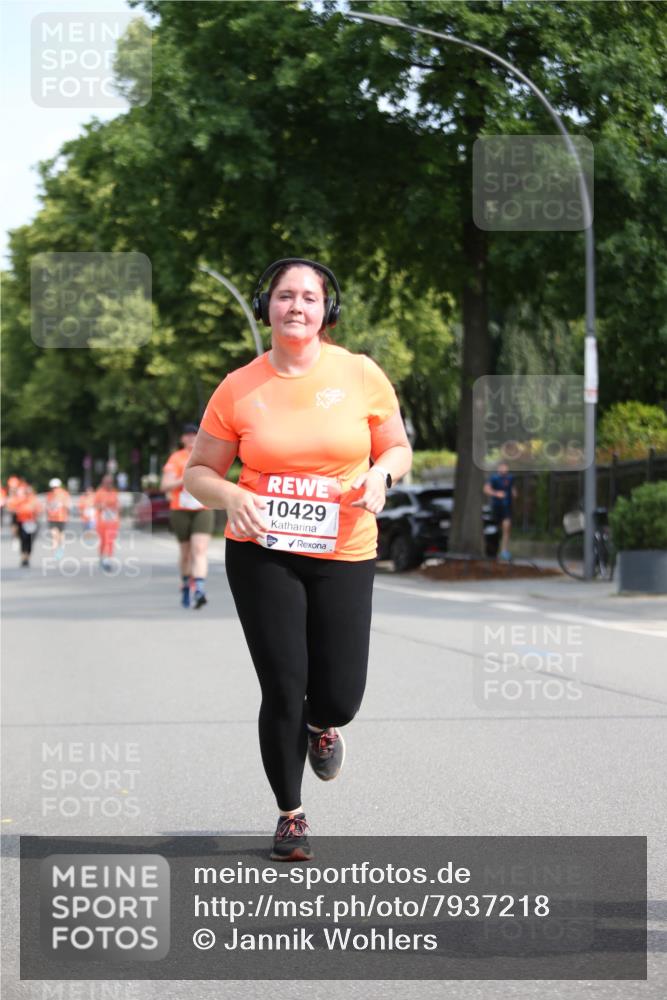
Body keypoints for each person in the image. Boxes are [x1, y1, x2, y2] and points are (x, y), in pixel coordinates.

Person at [184, 257, 412, 861]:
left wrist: (382, 476)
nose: (297, 307)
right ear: (268, 306)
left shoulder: (361, 374)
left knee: (339, 694)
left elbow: (396, 448)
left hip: (345, 547)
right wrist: (232, 494)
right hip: (263, 552)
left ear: (326, 310)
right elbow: (198, 473)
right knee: (284, 686)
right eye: (285, 296)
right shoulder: (239, 387)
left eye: (309, 298)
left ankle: (323, 725)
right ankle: (291, 814)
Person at [161, 423, 215, 609]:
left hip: (202, 509)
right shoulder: (176, 458)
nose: (191, 437)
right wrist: (185, 478)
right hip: (181, 509)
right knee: (185, 554)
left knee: (199, 549)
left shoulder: (206, 455)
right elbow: (165, 486)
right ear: (182, 439)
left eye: (195, 434)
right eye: (188, 435)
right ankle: (185, 584)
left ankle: (199, 589)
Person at [484, 461, 518, 561]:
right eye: (502, 467)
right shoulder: (494, 478)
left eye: (506, 467)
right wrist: (496, 493)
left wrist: (514, 494)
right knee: (496, 530)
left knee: (506, 527)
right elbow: (486, 489)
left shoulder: (510, 478)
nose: (504, 469)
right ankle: (494, 550)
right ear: (499, 468)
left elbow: (512, 489)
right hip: (496, 506)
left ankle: (504, 550)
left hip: (506, 507)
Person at [94, 474, 120, 571]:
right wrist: (102, 506)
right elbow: (95, 505)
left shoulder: (114, 492)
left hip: (112, 522)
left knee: (110, 541)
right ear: (103, 483)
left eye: (110, 482)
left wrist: (114, 508)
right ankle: (101, 557)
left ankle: (108, 560)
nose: (109, 484)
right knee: (103, 542)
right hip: (102, 522)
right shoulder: (99, 492)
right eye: (107, 482)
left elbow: (117, 506)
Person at [14, 484, 42, 568]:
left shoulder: (34, 500)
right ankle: (23, 557)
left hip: (32, 523)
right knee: (23, 540)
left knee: (30, 541)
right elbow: (14, 509)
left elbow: (39, 510)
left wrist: (34, 512)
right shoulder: (20, 500)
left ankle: (27, 558)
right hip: (22, 522)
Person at [45, 478, 71, 559]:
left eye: (56, 487)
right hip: (52, 518)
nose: (55, 489)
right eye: (53, 487)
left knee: (60, 534)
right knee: (54, 534)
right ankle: (56, 551)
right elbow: (47, 506)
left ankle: (61, 548)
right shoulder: (49, 495)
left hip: (61, 517)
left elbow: (68, 505)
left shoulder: (64, 494)